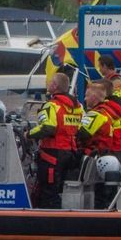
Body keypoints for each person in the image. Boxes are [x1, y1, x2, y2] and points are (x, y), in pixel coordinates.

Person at [28, 72, 83, 209]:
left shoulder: (51, 105)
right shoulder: (78, 107)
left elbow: (48, 128)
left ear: (55, 86)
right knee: (63, 190)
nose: (48, 84)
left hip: (52, 155)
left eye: (50, 82)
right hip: (71, 153)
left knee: (48, 191)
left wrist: (28, 134)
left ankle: (48, 221)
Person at [78, 81, 120, 157]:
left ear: (93, 97)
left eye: (87, 96)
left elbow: (82, 134)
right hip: (103, 154)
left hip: (92, 156)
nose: (85, 99)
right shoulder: (106, 112)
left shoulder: (95, 114)